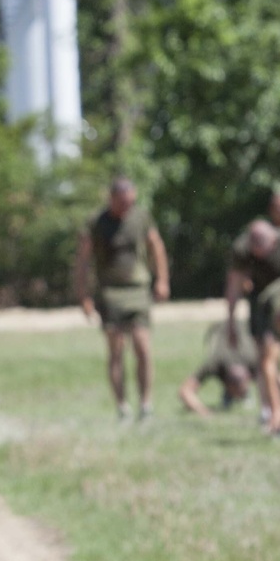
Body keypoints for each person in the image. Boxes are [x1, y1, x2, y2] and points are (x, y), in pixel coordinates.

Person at [75, 178, 170, 420]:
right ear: (112, 198)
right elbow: (83, 260)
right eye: (122, 202)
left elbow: (156, 247)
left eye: (130, 202)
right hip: (110, 292)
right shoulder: (96, 222)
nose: (127, 206)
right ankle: (122, 406)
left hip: (138, 289)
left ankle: (146, 404)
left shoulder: (141, 218)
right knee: (116, 350)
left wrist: (162, 280)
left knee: (143, 347)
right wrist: (83, 295)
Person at [225, 219, 280, 434]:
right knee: (265, 360)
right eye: (253, 246)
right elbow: (235, 284)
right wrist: (230, 321)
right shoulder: (242, 249)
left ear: (273, 239)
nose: (258, 252)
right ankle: (273, 413)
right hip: (262, 305)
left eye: (262, 246)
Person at [178, 322, 260, 417]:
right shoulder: (215, 362)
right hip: (221, 329)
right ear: (227, 384)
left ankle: (244, 396)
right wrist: (203, 411)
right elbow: (184, 391)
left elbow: (279, 381)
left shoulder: (254, 361)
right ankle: (230, 397)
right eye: (239, 392)